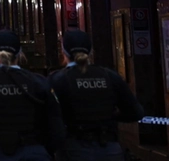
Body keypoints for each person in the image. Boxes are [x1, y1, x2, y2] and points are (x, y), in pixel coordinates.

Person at [0, 29, 64, 161]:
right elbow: (56, 126)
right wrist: (46, 152)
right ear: (20, 53)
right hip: (34, 152)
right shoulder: (38, 82)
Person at [48, 29, 143, 159]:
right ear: (90, 50)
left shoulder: (57, 80)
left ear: (63, 51)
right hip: (110, 148)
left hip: (74, 148)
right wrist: (111, 116)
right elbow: (136, 112)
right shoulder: (110, 76)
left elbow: (48, 115)